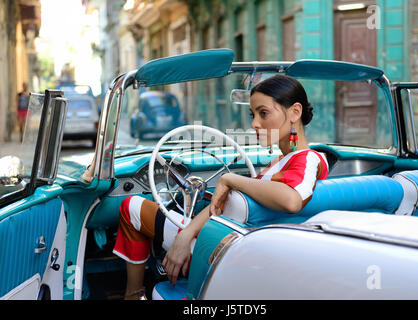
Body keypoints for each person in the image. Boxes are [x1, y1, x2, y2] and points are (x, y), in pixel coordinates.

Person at [112, 74, 329, 299]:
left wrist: (230, 179)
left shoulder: (307, 159)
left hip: (225, 249)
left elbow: (292, 200)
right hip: (232, 243)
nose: (254, 123)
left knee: (131, 207)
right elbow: (224, 203)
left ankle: (133, 295)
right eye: (253, 114)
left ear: (295, 112)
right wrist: (185, 236)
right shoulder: (284, 162)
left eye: (263, 113)